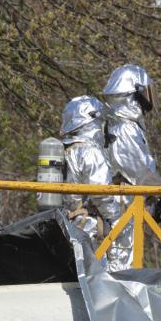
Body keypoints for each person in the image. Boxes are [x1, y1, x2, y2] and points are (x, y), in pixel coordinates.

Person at [101, 64, 161, 270]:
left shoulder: (115, 123)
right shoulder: (125, 128)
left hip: (117, 204)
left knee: (117, 261)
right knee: (122, 265)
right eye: (146, 92)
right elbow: (142, 170)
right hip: (120, 206)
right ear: (134, 95)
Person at [59, 95, 120, 255]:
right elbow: (102, 194)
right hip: (87, 228)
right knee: (96, 276)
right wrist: (118, 220)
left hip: (62, 224)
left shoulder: (60, 150)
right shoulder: (89, 151)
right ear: (92, 122)